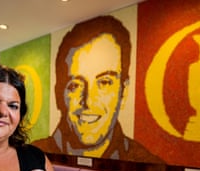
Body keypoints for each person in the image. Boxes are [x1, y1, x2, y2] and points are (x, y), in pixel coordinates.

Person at [32, 15, 163, 163]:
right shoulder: (33, 156)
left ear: (124, 92)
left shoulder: (147, 164)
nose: (88, 101)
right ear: (58, 94)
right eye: (75, 85)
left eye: (105, 82)